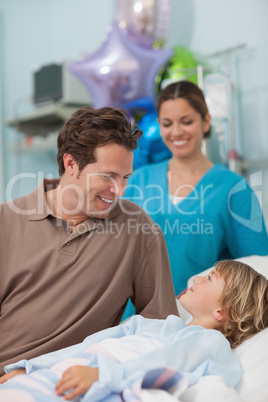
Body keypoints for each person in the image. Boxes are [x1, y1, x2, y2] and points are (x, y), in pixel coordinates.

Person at [0, 106, 178, 376]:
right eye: (108, 176)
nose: (118, 190)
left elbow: (159, 328)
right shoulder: (6, 221)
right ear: (71, 164)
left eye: (125, 177)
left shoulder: (138, 229)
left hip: (62, 382)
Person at [0, 260, 267, 402]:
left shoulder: (209, 342)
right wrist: (31, 367)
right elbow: (88, 344)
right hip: (74, 368)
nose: (196, 278)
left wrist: (103, 374)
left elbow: (165, 368)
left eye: (210, 279)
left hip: (103, 381)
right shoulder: (152, 324)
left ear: (223, 312)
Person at [124, 80, 268, 298]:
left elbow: (256, 270)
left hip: (197, 322)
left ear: (206, 121)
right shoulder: (139, 180)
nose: (176, 132)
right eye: (167, 123)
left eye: (186, 121)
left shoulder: (233, 189)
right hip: (133, 320)